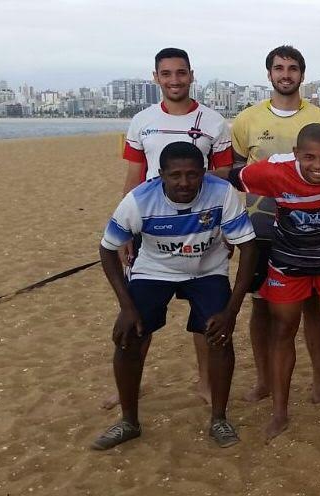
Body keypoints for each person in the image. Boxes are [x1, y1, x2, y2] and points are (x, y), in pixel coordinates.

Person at [92, 141, 256, 450]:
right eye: (175, 175)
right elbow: (107, 248)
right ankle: (129, 421)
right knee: (129, 336)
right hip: (154, 270)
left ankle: (219, 419)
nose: (184, 183)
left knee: (219, 337)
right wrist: (126, 306)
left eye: (192, 175)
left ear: (204, 173)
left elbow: (248, 248)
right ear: (160, 174)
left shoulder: (222, 193)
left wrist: (231, 311)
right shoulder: (138, 200)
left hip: (207, 270)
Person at [226, 124, 320, 442]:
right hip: (288, 264)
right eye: (309, 157)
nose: (319, 166)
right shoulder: (272, 171)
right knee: (283, 330)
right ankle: (280, 413)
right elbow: (224, 178)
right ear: (296, 154)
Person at [106, 47, 235, 409]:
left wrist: (224, 227)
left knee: (205, 318)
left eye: (181, 73)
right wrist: (125, 231)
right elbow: (134, 175)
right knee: (138, 316)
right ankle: (127, 385)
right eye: (167, 74)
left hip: (202, 228)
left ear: (192, 75)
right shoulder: (141, 120)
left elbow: (225, 175)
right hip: (151, 229)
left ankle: (205, 382)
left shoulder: (214, 122)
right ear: (156, 78)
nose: (174, 80)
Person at [229, 45, 320, 405]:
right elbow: (236, 175)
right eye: (279, 68)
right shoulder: (246, 120)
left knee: (312, 305)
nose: (286, 74)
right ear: (269, 74)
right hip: (260, 229)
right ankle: (264, 379)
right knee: (261, 305)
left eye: (293, 68)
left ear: (302, 75)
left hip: (313, 228)